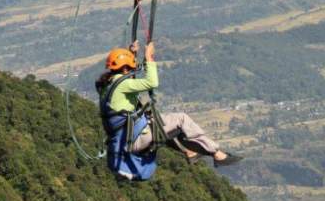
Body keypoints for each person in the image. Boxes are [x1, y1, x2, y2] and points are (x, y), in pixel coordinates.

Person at [96, 40, 241, 178]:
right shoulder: (122, 85)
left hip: (124, 139)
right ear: (126, 68)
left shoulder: (107, 86)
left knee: (165, 125)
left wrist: (132, 55)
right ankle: (217, 153)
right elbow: (151, 82)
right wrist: (149, 58)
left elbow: (130, 80)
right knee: (181, 119)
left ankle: (190, 152)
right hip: (134, 139)